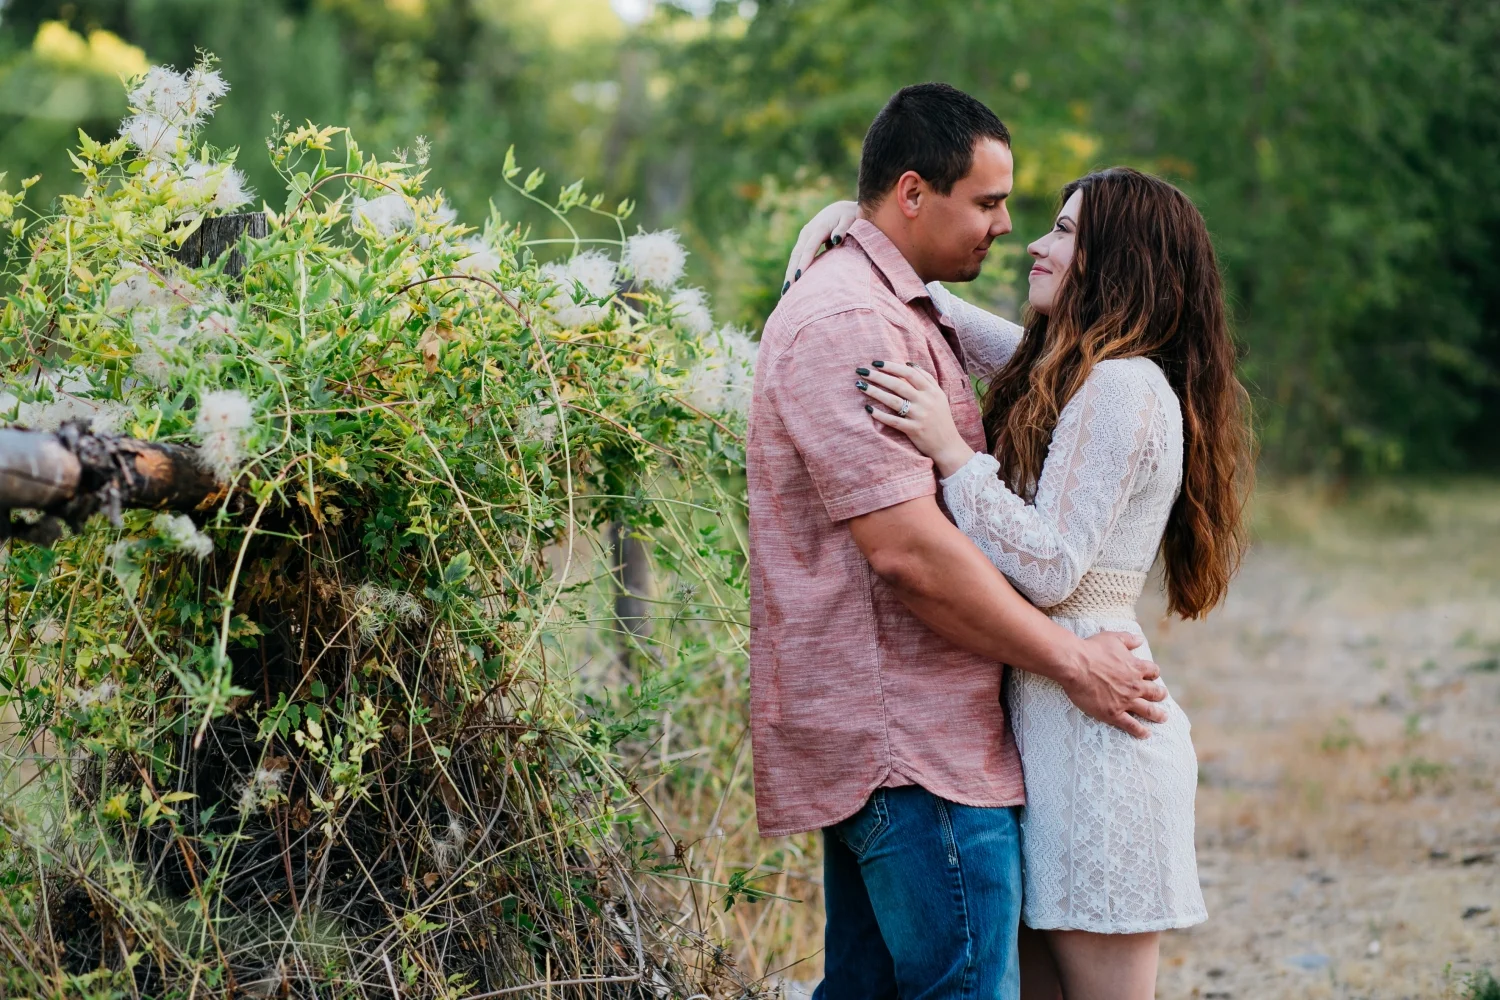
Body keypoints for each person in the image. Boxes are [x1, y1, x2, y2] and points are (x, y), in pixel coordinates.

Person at [783, 166, 1254, 999]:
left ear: (1119, 261)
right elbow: (954, 326)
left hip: (1099, 740)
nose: (1036, 240)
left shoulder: (1122, 386)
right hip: (1046, 726)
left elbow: (1051, 566)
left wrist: (952, 451)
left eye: (1065, 232)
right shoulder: (1073, 367)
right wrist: (851, 230)